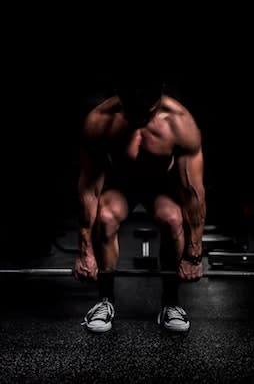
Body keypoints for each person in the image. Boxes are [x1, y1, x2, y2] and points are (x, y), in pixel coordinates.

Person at [74, 73, 206, 333]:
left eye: (149, 109)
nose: (142, 116)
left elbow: (192, 193)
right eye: (134, 109)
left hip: (162, 185)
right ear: (118, 90)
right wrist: (85, 250)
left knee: (173, 219)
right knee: (105, 217)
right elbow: (89, 189)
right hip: (121, 184)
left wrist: (194, 253)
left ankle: (170, 303)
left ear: (161, 89)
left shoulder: (180, 124)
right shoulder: (99, 121)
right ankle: (105, 300)